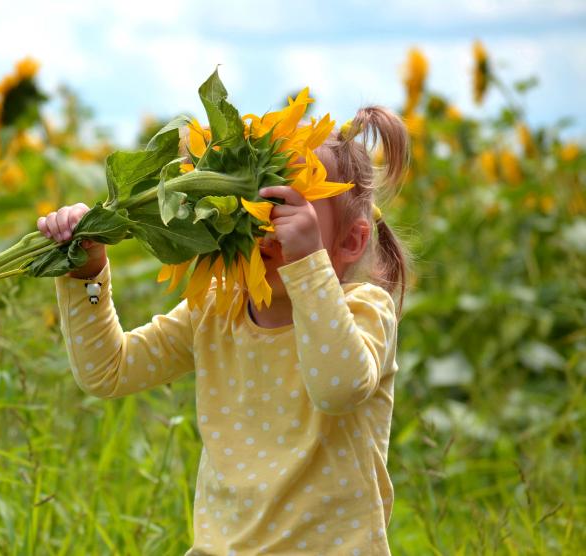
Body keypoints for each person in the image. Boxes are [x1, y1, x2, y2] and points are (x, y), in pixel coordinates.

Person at [38, 105, 412, 555]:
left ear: (350, 241)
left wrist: (308, 265)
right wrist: (87, 273)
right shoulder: (218, 310)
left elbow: (337, 388)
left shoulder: (363, 310)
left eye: (285, 205)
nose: (260, 218)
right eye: (249, 196)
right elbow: (109, 370)